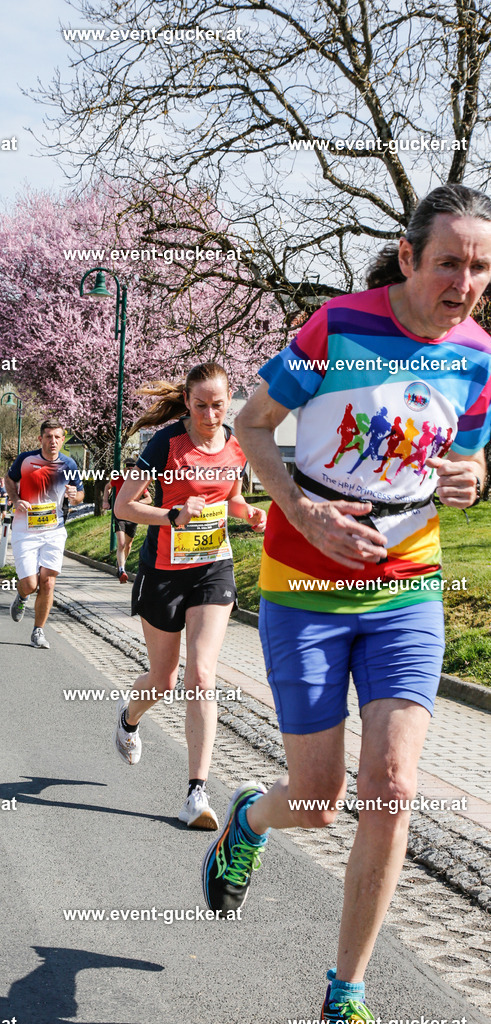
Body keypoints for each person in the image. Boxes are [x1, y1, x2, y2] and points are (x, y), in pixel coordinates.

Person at [201, 184, 491, 1023]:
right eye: (448, 263)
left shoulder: (477, 355)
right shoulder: (337, 327)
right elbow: (253, 426)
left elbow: (467, 462)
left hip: (407, 584)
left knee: (392, 786)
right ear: (407, 257)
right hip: (306, 584)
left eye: (479, 267)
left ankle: (346, 992)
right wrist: (304, 513)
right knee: (317, 799)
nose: (464, 283)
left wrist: (471, 480)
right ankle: (250, 820)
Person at [112, 363, 266, 829]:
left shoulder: (235, 443)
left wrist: (249, 514)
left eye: (218, 405)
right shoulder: (165, 444)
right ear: (187, 401)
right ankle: (129, 718)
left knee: (201, 673)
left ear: (229, 400)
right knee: (163, 679)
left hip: (213, 569)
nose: (210, 415)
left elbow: (231, 498)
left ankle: (196, 793)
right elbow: (124, 506)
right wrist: (173, 514)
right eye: (200, 406)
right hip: (163, 571)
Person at [5, 419, 84, 649]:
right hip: (25, 530)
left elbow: (80, 494)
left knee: (48, 582)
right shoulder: (25, 459)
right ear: (41, 439)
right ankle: (22, 596)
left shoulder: (69, 464)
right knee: (31, 584)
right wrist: (15, 500)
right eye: (48, 436)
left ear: (63, 439)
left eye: (57, 437)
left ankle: (38, 631)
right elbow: (9, 479)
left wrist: (74, 496)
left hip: (54, 530)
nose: (53, 441)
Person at [102, 459, 152, 582]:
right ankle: (122, 570)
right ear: (124, 468)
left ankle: (121, 563)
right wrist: (105, 501)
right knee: (121, 543)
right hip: (119, 514)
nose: (129, 470)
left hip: (132, 516)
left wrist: (136, 503)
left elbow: (149, 499)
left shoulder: (138, 482)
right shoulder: (118, 479)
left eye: (132, 468)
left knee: (128, 545)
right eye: (127, 468)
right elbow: (108, 486)